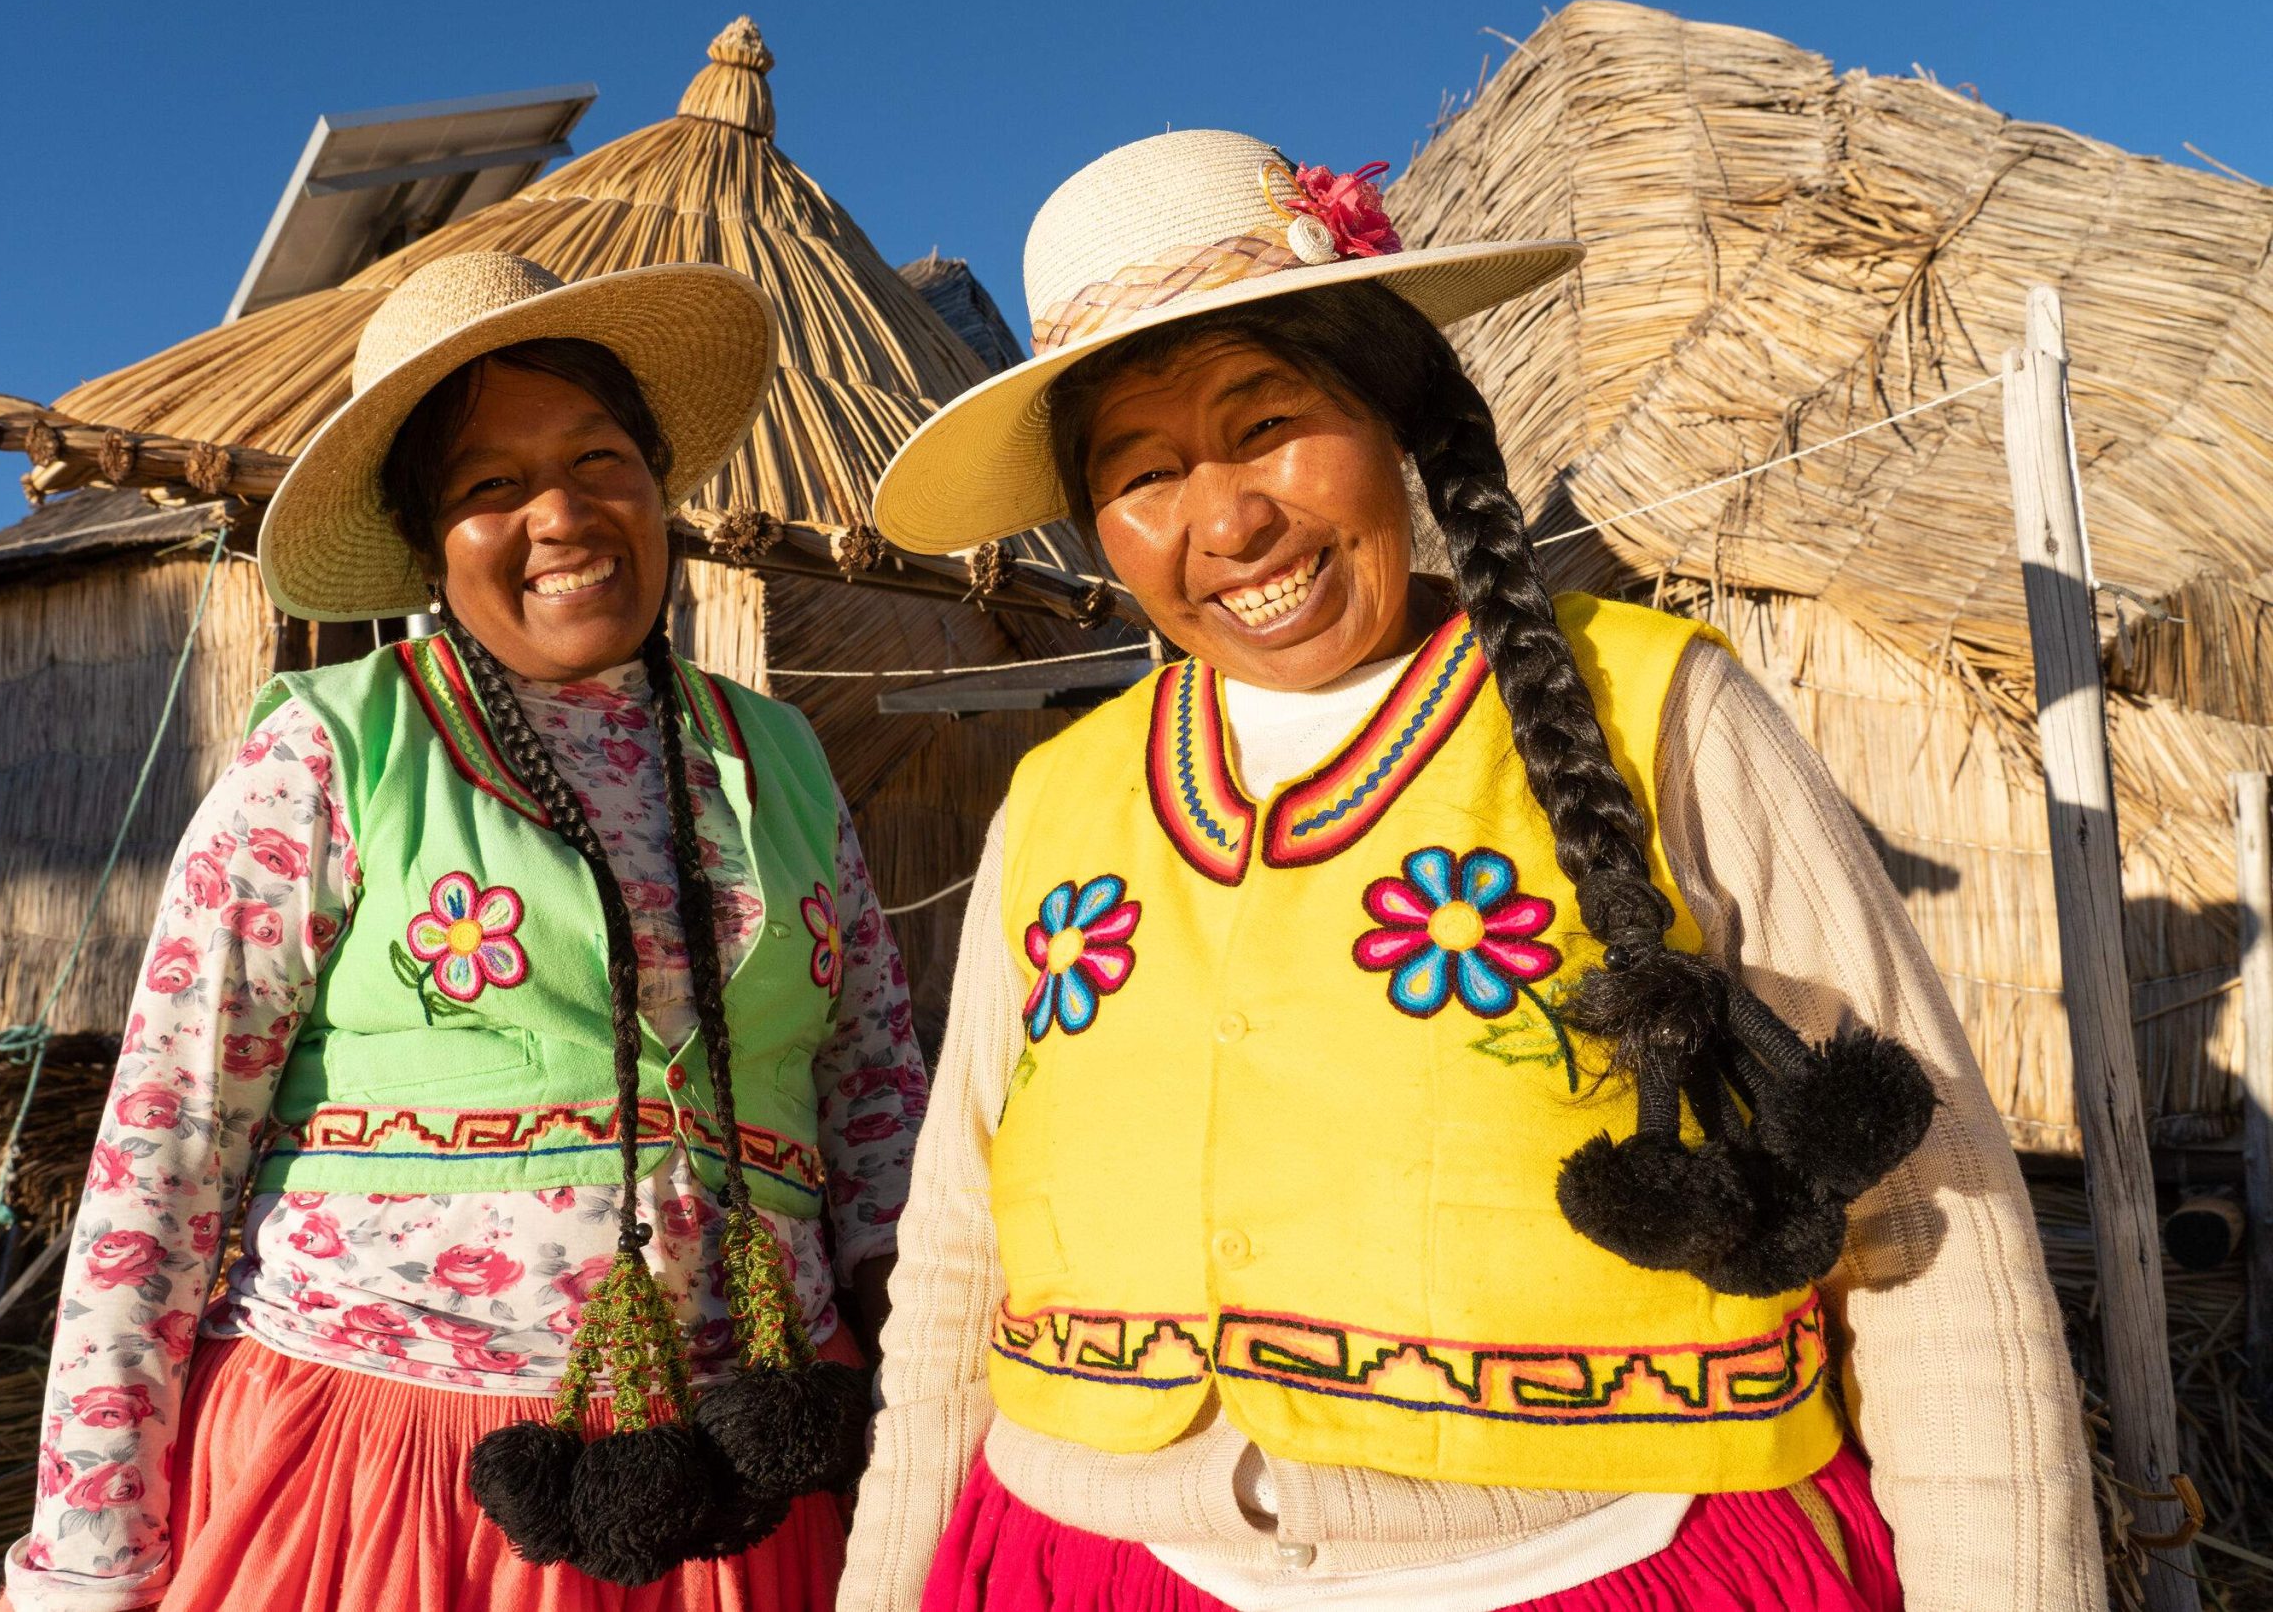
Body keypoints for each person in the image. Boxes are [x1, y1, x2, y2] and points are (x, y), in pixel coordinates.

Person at [844, 132, 2102, 1612]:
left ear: (1395, 420)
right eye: (1144, 474)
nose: (1227, 521)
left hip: (1601, 1569)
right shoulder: (1059, 802)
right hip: (1095, 1564)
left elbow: (1929, 1229)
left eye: (1268, 425)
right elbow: (954, 1268)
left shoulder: (1663, 716)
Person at [0, 250, 927, 1612]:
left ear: (657, 483)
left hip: (759, 1486)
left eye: (601, 458)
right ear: (430, 540)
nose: (561, 514)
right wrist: (86, 1559)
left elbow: (878, 1115)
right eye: (490, 485)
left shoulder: (774, 756)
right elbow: (164, 1162)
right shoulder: (331, 752)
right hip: (394, 1491)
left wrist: (935, 1420)